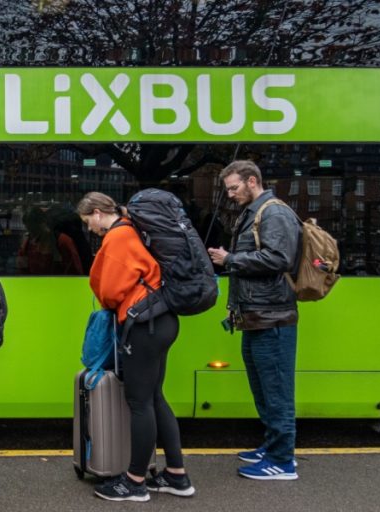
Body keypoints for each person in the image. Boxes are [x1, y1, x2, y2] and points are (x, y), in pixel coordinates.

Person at [78, 192, 194, 502]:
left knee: (139, 402)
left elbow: (110, 290)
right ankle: (176, 476)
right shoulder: (133, 231)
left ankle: (135, 482)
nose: (90, 228)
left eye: (88, 221)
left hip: (144, 325)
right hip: (161, 319)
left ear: (100, 212)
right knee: (155, 398)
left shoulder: (118, 237)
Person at [208, 160, 301, 481]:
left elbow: (280, 258)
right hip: (256, 316)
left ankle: (283, 462)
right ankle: (273, 446)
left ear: (251, 181)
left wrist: (230, 259)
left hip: (273, 318)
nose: (230, 194)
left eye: (233, 188)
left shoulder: (274, 213)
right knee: (264, 389)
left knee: (276, 390)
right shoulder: (255, 213)